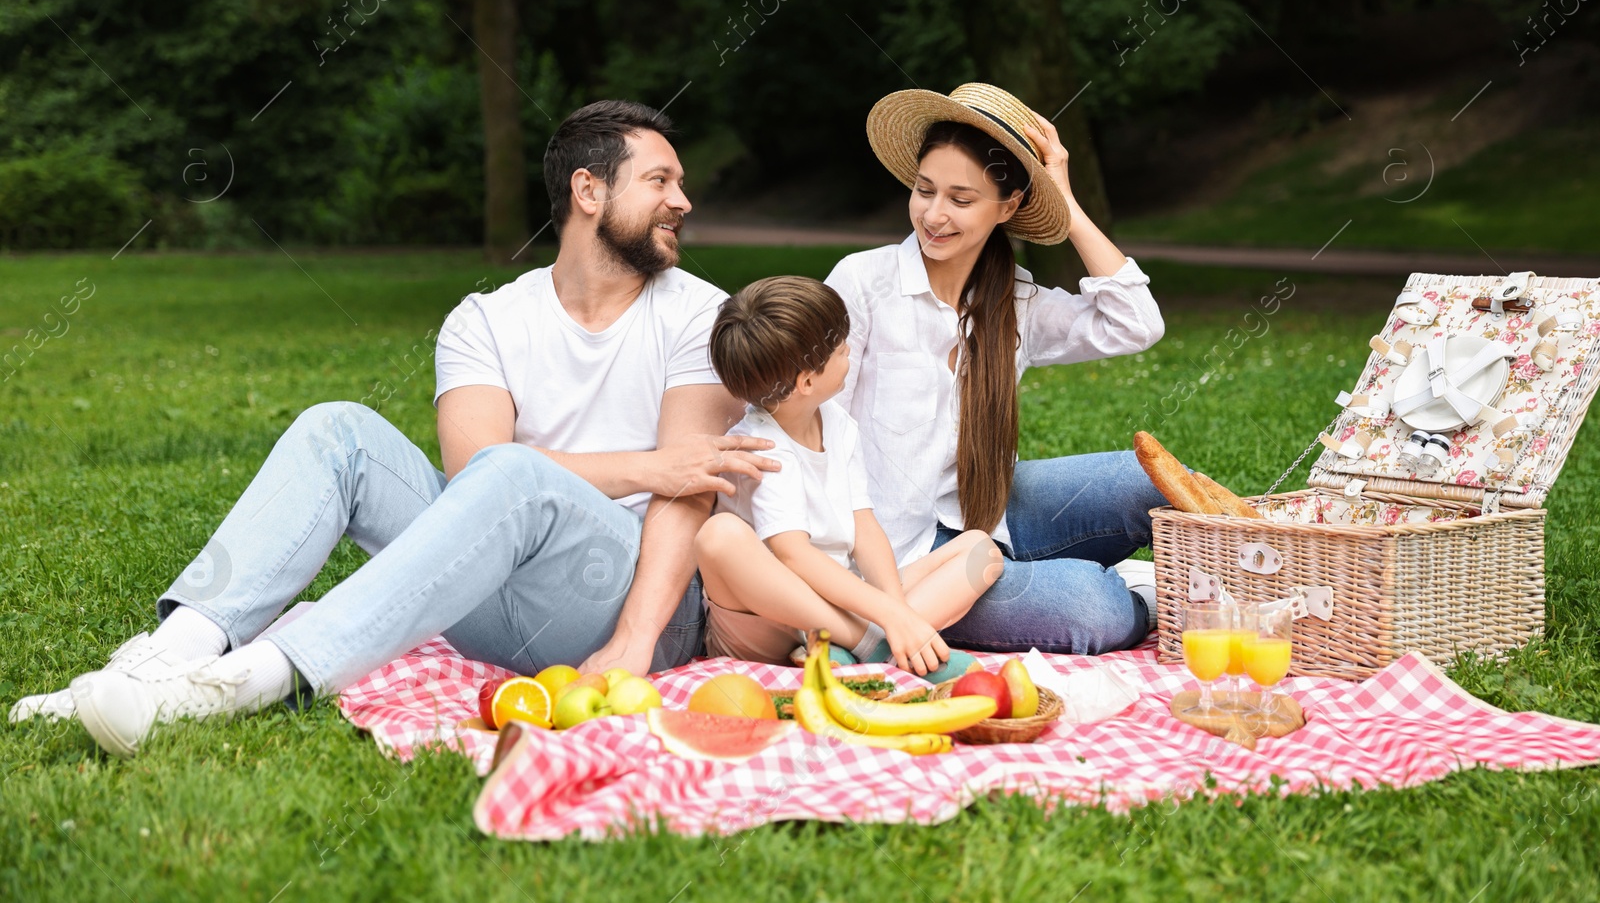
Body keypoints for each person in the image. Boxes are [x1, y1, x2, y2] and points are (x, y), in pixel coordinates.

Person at [11, 100, 781, 757]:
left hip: (630, 597)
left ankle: (248, 680)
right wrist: (649, 467)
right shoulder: (486, 319)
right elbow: (482, 471)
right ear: (588, 190)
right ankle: (164, 660)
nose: (683, 200)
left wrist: (638, 641)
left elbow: (691, 487)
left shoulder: (700, 316)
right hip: (485, 590)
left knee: (515, 473)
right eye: (661, 180)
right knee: (337, 428)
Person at [824, 82, 1167, 655]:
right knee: (1093, 608)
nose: (933, 215)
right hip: (899, 558)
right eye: (924, 190)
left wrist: (1066, 202)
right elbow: (817, 436)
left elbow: (1135, 322)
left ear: (1008, 206)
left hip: (991, 514)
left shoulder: (1018, 303)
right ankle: (1135, 598)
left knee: (1147, 480)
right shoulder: (863, 284)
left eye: (961, 199)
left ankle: (1043, 574)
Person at [692, 276, 1001, 680]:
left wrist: (896, 610)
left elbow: (863, 524)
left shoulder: (835, 421)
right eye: (841, 349)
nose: (850, 351)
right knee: (719, 534)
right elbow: (793, 556)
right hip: (772, 624)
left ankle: (870, 646)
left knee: (983, 550)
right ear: (806, 382)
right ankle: (876, 646)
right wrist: (888, 615)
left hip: (840, 606)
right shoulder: (763, 447)